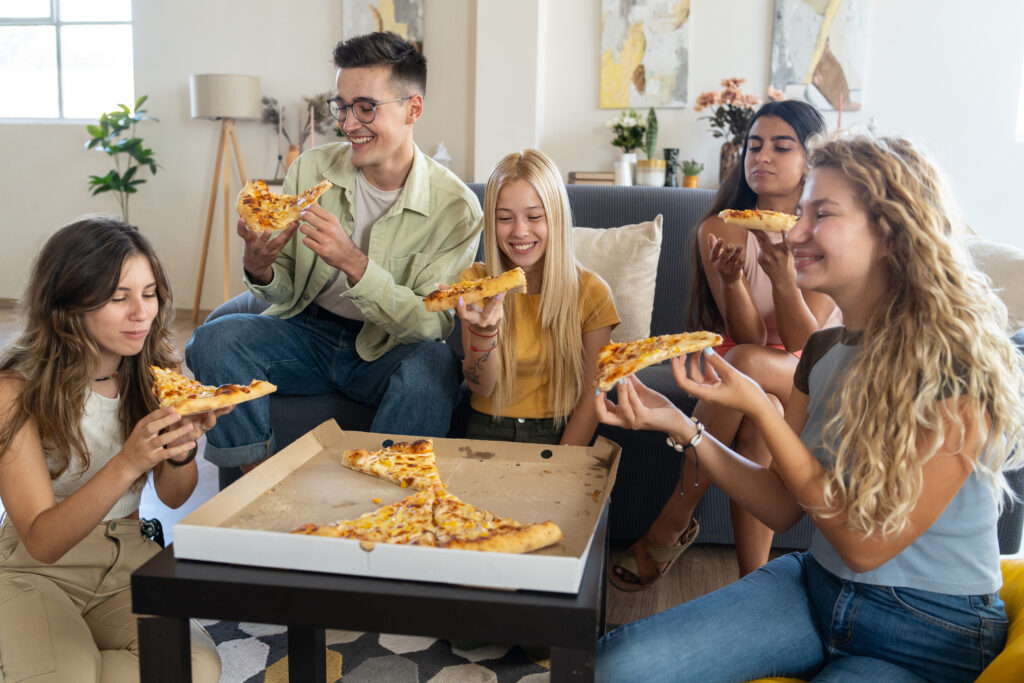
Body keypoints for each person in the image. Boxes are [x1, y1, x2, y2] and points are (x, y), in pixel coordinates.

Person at [594, 134, 1024, 682]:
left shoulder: (957, 371)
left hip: (928, 630)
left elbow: (864, 547)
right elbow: (781, 506)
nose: (794, 231)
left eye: (821, 214)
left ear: (890, 233)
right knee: (615, 668)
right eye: (801, 212)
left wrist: (762, 409)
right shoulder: (823, 352)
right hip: (814, 590)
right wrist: (682, 426)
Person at [186, 32, 482, 482]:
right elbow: (283, 285)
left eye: (365, 107)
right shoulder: (311, 169)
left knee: (434, 367)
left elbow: (432, 326)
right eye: (341, 106)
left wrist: (355, 263)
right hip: (306, 336)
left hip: (387, 348)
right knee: (211, 341)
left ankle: (381, 497)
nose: (348, 123)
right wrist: (260, 265)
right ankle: (257, 486)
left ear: (413, 109)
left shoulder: (456, 209)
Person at [610, 100, 841, 590]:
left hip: (815, 361)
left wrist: (783, 281)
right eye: (754, 146)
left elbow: (809, 343)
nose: (762, 157)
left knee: (739, 364)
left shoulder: (822, 229)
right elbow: (753, 335)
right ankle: (751, 583)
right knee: (758, 411)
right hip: (754, 360)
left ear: (810, 160)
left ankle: (674, 518)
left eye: (782, 147)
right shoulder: (718, 228)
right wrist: (733, 281)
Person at [0, 218, 223, 681]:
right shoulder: (14, 392)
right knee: (68, 672)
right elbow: (42, 541)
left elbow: (176, 496)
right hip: (33, 570)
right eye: (119, 298)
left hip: (128, 553)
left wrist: (181, 450)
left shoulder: (155, 373)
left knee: (196, 667)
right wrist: (129, 462)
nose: (140, 313)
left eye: (149, 293)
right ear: (67, 303)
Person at [454, 149, 619, 446]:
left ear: (555, 217)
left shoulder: (592, 292)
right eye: (505, 218)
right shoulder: (474, 283)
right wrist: (484, 333)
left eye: (534, 217)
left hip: (562, 433)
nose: (520, 231)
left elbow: (592, 396)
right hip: (489, 430)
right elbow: (481, 387)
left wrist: (561, 464)